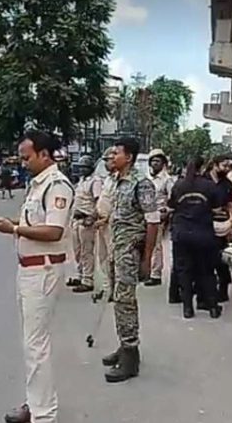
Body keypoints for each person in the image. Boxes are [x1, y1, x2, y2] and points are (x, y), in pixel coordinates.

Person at [0, 130, 74, 423]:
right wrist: (11, 223)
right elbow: (33, 223)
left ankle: (43, 415)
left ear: (44, 155)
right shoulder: (38, 185)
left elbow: (53, 231)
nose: (22, 162)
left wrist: (13, 230)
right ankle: (35, 403)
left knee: (36, 345)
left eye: (26, 157)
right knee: (31, 343)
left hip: (44, 269)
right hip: (28, 268)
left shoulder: (57, 185)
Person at [101, 137, 159, 383]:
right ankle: (124, 346)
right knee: (119, 300)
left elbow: (153, 221)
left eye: (116, 153)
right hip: (117, 249)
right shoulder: (116, 181)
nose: (112, 157)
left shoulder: (141, 184)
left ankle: (130, 357)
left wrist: (146, 259)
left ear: (130, 157)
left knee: (126, 302)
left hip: (130, 252)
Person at [168, 156, 222, 319]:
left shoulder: (179, 185)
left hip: (182, 234)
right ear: (203, 167)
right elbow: (218, 207)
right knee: (206, 271)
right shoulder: (209, 186)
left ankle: (187, 308)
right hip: (204, 234)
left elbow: (172, 205)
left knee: (184, 271)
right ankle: (212, 307)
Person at [68, 155, 102, 293]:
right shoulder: (81, 181)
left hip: (86, 220)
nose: (82, 170)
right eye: (81, 167)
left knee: (86, 251)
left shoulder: (95, 181)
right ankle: (80, 275)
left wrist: (92, 217)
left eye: (85, 167)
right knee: (77, 251)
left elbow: (98, 202)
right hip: (76, 219)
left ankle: (88, 280)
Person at [144, 149, 175, 287]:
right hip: (144, 215)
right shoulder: (147, 178)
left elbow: (173, 200)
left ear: (163, 163)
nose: (155, 163)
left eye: (158, 161)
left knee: (156, 246)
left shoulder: (167, 180)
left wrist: (166, 212)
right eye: (153, 161)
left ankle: (155, 274)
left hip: (158, 216)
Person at [208, 155, 232, 305]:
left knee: (222, 260)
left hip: (222, 227)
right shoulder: (204, 181)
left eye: (229, 167)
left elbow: (231, 205)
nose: (227, 169)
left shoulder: (228, 185)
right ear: (215, 164)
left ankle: (223, 289)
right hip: (205, 225)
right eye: (224, 165)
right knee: (205, 259)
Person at [94, 147, 117, 302]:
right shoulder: (108, 179)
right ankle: (107, 287)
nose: (106, 163)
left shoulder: (119, 180)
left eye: (108, 160)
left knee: (112, 258)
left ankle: (114, 290)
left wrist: (106, 218)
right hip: (101, 223)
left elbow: (117, 204)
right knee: (102, 257)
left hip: (111, 225)